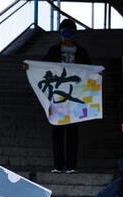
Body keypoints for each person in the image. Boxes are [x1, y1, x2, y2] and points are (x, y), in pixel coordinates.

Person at [42, 18, 91, 174]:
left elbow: (90, 69)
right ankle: (58, 165)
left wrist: (98, 72)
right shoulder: (54, 51)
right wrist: (29, 66)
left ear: (74, 33)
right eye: (64, 32)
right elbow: (42, 68)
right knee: (57, 130)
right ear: (60, 33)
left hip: (75, 95)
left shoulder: (81, 52)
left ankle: (71, 166)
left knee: (72, 131)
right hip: (57, 96)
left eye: (69, 32)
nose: (67, 35)